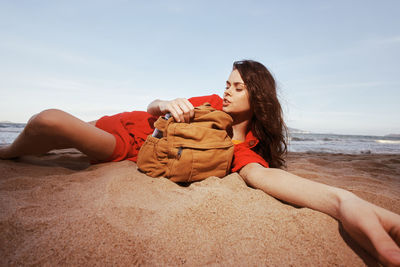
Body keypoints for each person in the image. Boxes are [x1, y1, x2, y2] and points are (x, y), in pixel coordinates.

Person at [1, 60, 399, 266]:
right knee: (54, 138)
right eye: (226, 84)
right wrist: (166, 102)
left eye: (237, 87)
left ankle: (7, 153)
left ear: (257, 97)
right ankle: (36, 147)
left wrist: (345, 203)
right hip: (127, 120)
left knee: (46, 121)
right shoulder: (208, 103)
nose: (226, 92)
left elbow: (264, 177)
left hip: (124, 143)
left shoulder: (241, 150)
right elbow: (152, 107)